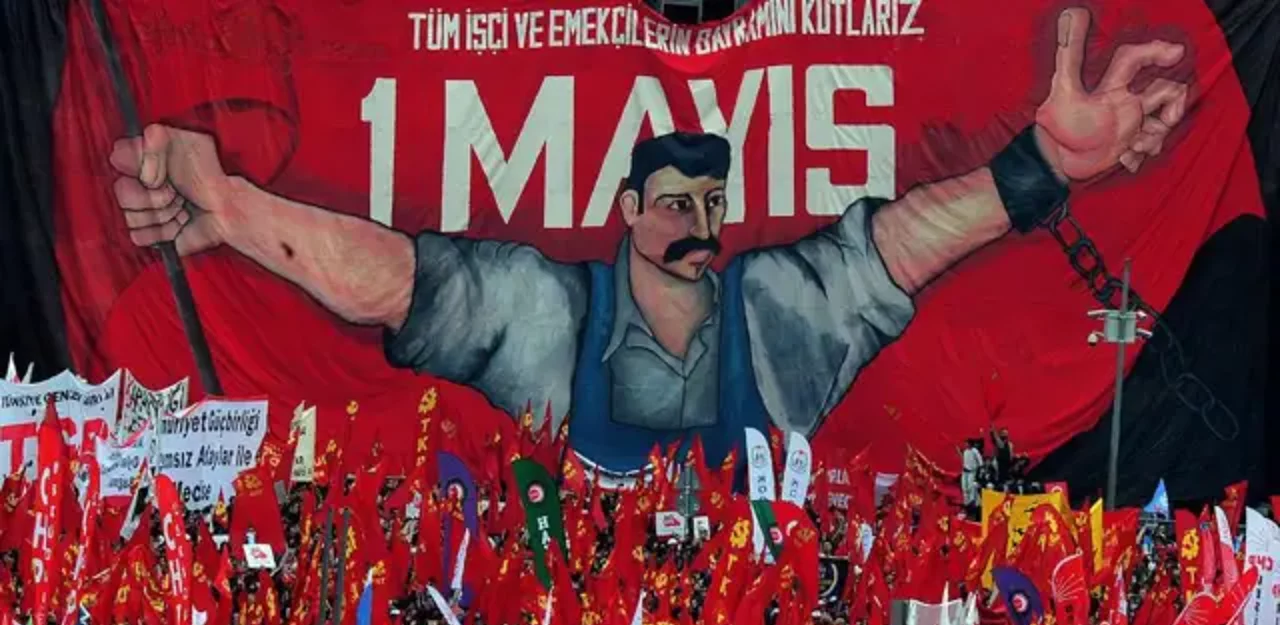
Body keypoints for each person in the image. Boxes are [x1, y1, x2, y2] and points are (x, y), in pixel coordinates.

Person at [109, 8, 1188, 481]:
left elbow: (900, 244)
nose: (696, 229)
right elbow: (391, 280)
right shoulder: (547, 316)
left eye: (709, 208)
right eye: (673, 206)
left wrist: (1041, 168)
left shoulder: (774, 318)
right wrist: (235, 209)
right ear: (628, 210)